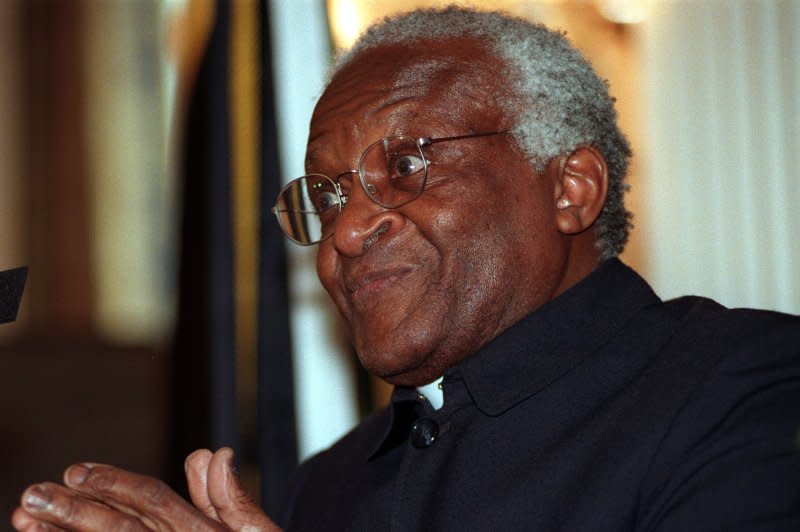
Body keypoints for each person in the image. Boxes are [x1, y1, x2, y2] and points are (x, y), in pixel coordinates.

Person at [12, 6, 800, 531]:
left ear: (570, 188)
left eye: (408, 163)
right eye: (325, 195)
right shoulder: (329, 486)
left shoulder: (752, 388)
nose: (347, 231)